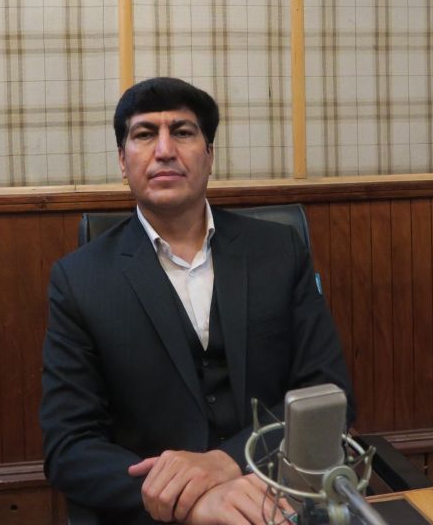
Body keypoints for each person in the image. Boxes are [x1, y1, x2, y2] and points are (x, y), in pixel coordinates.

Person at [40, 77, 353, 524]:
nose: (164, 150)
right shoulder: (79, 279)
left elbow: (329, 396)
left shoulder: (279, 252)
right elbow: (69, 446)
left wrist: (228, 462)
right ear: (123, 162)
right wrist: (190, 501)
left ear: (209, 156)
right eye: (144, 134)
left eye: (183, 132)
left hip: (277, 498)